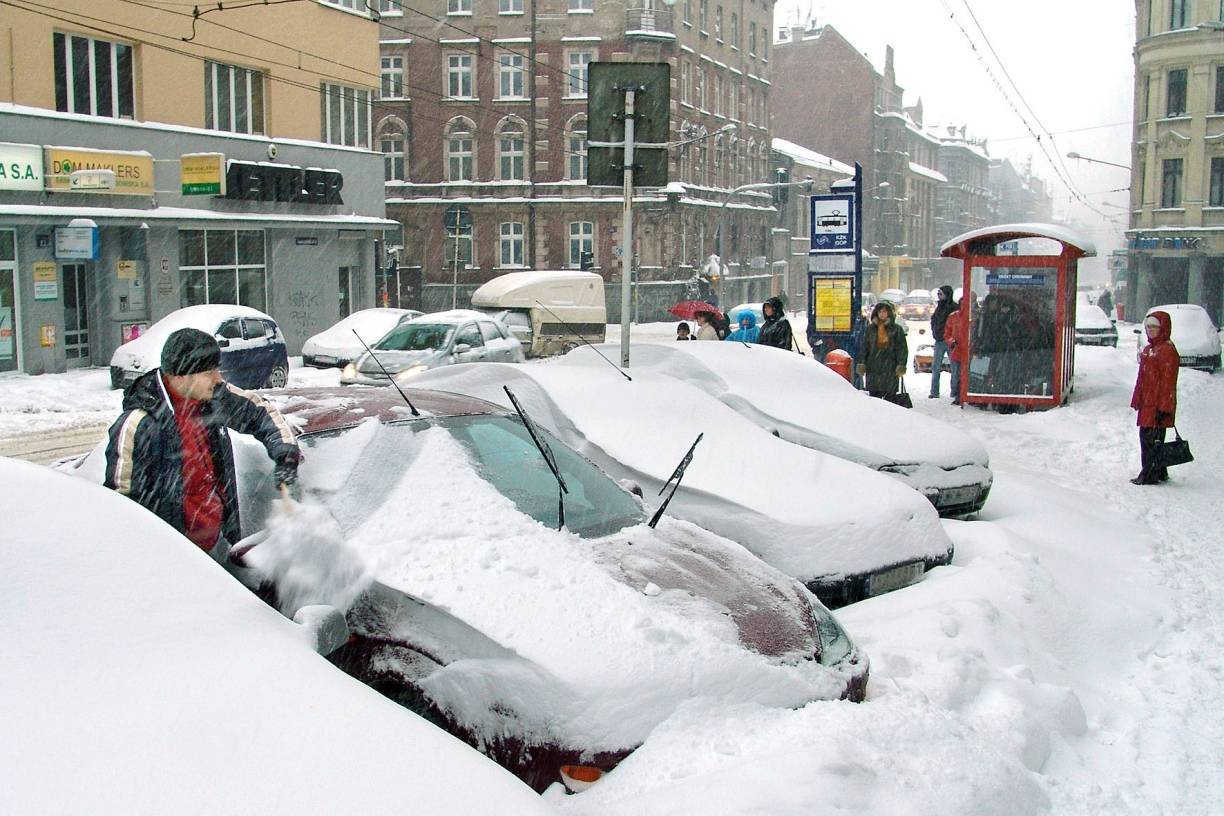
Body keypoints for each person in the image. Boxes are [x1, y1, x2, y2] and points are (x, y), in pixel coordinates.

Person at [104, 328, 302, 560]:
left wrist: (286, 455)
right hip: (174, 557)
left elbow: (260, 412)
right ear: (181, 376)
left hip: (218, 543)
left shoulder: (214, 398)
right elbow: (120, 509)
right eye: (209, 372)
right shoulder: (138, 424)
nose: (218, 379)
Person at [1130, 310, 1179, 485]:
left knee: (1151, 440)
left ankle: (1150, 474)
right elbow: (1142, 378)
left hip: (1157, 406)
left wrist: (1164, 408)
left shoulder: (1166, 350)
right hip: (1148, 404)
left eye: (1154, 327)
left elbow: (1168, 383)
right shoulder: (1150, 349)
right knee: (1151, 439)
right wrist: (1137, 398)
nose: (1150, 330)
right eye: (1148, 327)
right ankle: (1158, 471)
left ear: (1162, 328)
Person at [856, 301, 908, 399]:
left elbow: (902, 349)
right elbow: (865, 347)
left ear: (889, 313)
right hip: (873, 367)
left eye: (884, 311)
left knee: (890, 397)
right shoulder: (870, 329)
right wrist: (862, 362)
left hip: (890, 367)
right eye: (880, 312)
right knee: (874, 397)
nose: (882, 314)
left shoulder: (896, 329)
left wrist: (901, 364)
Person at [928, 285, 957, 398]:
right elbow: (934, 321)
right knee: (936, 367)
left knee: (954, 367)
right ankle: (934, 391)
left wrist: (950, 336)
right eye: (938, 294)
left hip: (950, 341)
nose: (939, 296)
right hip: (939, 340)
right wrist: (935, 332)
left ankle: (954, 391)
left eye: (941, 294)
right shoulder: (939, 307)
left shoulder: (953, 308)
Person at [944, 299, 969, 405]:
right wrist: (951, 342)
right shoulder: (953, 316)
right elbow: (947, 332)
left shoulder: (974, 315)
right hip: (957, 349)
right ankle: (958, 395)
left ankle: (962, 395)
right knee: (957, 374)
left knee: (968, 374)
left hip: (969, 350)